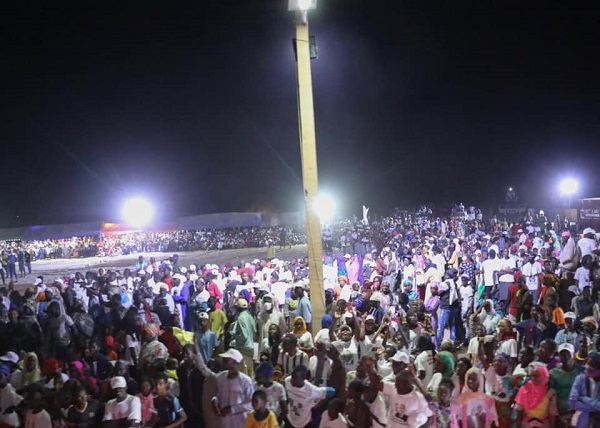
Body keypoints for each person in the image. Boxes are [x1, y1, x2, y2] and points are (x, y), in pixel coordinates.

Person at [368, 368, 432, 427]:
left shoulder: (418, 398)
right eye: (396, 384)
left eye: (399, 385)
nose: (396, 387)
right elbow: (377, 384)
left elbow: (430, 417)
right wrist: (370, 368)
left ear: (408, 385)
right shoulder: (393, 389)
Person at [212, 348, 254, 428]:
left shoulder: (245, 381)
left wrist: (232, 409)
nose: (223, 360)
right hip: (225, 422)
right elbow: (219, 393)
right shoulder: (221, 377)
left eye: (227, 359)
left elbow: (251, 403)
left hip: (240, 422)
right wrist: (214, 400)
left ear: (234, 361)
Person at [514, 363, 557, 427]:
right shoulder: (525, 388)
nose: (533, 378)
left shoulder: (549, 392)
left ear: (544, 376)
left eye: (537, 376)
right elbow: (519, 410)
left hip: (543, 424)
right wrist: (518, 425)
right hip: (527, 424)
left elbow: (552, 413)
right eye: (532, 376)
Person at [569, 351, 600, 428]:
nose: (590, 367)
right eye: (589, 364)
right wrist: (595, 406)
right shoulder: (580, 379)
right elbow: (572, 402)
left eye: (594, 365)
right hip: (582, 421)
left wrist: (584, 399)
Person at [233, 299, 257, 377]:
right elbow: (254, 331)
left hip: (243, 347)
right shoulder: (250, 317)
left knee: (243, 373)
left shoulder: (240, 318)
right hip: (250, 347)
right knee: (250, 372)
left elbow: (244, 335)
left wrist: (236, 336)